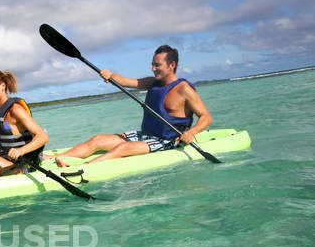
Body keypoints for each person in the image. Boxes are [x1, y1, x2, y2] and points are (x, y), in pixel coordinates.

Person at [46, 45, 213, 166]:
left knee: (123, 148)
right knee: (98, 139)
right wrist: (110, 75)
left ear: (172, 65)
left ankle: (82, 168)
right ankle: (55, 159)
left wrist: (191, 132)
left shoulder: (184, 89)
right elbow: (126, 81)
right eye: (152, 64)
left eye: (157, 65)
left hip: (168, 141)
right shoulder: (152, 82)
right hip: (146, 134)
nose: (153, 68)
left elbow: (206, 117)